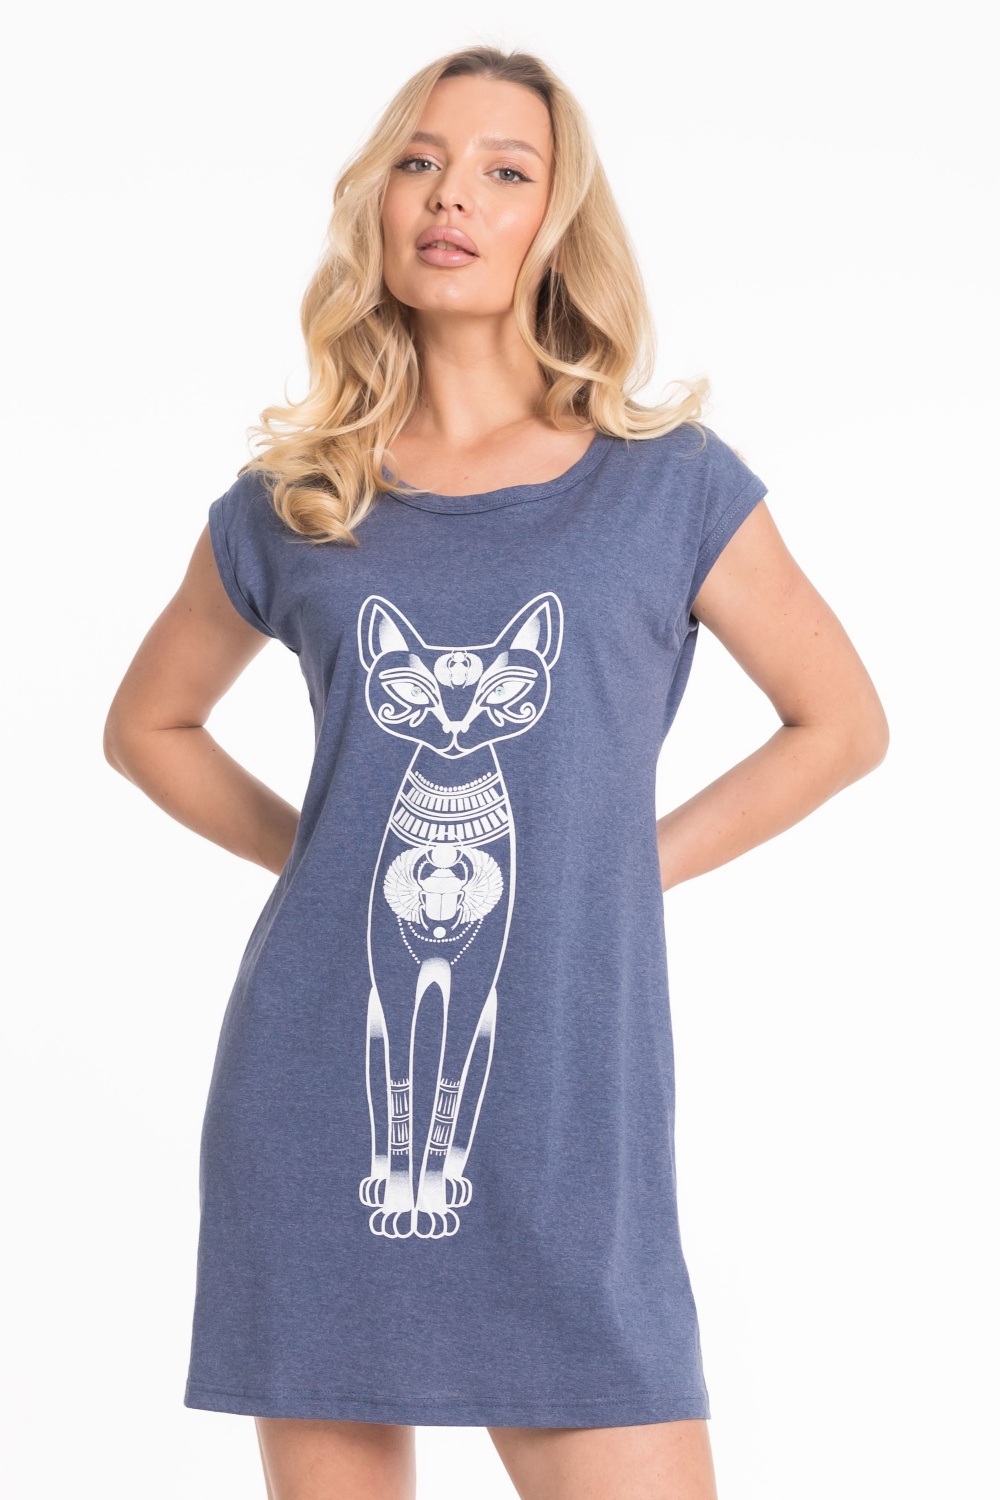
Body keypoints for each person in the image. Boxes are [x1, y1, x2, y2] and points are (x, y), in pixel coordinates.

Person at [103, 45, 889, 1500]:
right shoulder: (297, 499)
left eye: (502, 170)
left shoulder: (668, 482)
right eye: (418, 161)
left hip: (572, 1110)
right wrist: (336, 859)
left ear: (556, 222)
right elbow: (146, 726)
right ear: (376, 204)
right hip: (319, 1099)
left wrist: (618, 866)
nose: (450, 196)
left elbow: (841, 723)